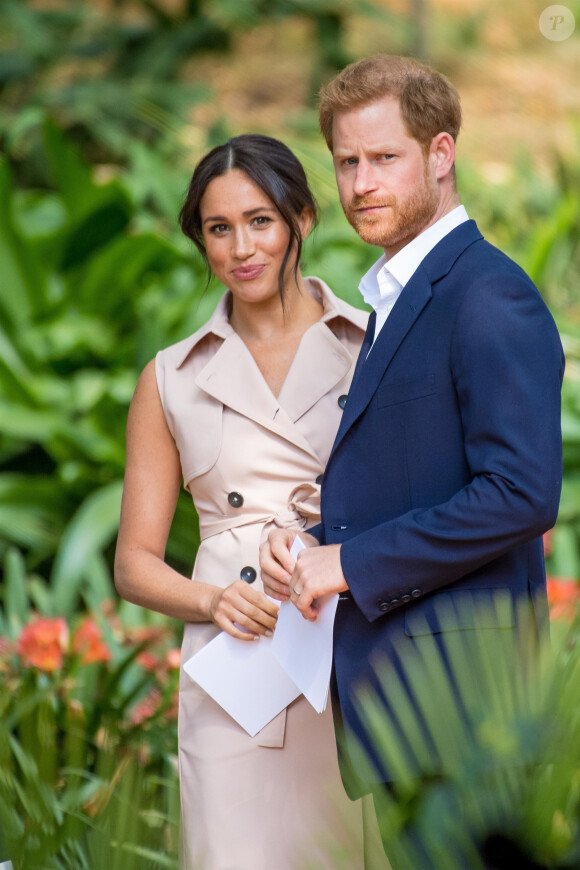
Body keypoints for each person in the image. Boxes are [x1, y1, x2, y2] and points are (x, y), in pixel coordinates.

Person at [260, 55, 564, 865]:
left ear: (440, 154)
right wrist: (312, 539)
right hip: (412, 710)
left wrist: (346, 564)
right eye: (347, 162)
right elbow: (418, 477)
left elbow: (521, 494)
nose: (361, 183)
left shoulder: (486, 294)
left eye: (384, 158)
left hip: (466, 714)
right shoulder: (400, 297)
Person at [114, 134, 375, 870]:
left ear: (300, 217)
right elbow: (134, 564)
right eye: (217, 228)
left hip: (348, 654)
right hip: (238, 671)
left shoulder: (371, 346)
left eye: (260, 220)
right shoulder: (169, 378)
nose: (240, 248)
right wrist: (213, 603)